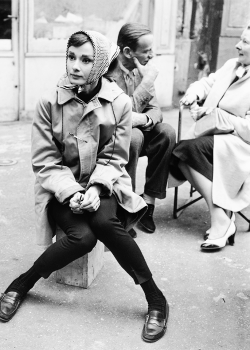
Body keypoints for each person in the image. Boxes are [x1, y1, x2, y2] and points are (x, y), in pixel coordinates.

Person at [0, 30, 169, 343]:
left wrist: (94, 189)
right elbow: (45, 161)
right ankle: (22, 284)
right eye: (71, 56)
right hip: (60, 186)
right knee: (83, 237)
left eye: (86, 59)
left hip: (104, 182)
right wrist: (73, 192)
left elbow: (116, 155)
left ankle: (156, 300)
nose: (75, 65)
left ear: (101, 64)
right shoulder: (48, 102)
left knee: (105, 221)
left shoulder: (118, 102)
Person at [171, 24, 250, 251]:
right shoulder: (232, 65)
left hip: (240, 145)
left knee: (184, 151)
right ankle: (222, 217)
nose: (238, 45)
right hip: (213, 136)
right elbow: (207, 83)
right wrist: (194, 93)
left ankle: (220, 220)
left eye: (245, 42)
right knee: (180, 152)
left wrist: (219, 117)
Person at [106, 23, 176, 236]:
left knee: (167, 132)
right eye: (146, 51)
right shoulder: (107, 72)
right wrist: (147, 81)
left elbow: (156, 111)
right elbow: (122, 114)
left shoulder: (141, 71)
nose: (152, 55)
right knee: (133, 136)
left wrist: (144, 119)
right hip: (111, 137)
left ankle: (148, 203)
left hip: (137, 128)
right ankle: (125, 207)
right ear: (128, 52)